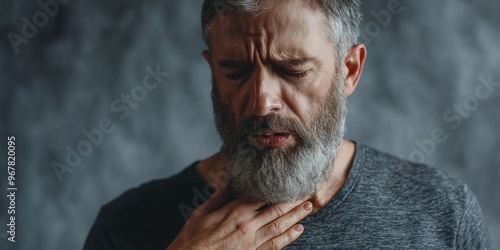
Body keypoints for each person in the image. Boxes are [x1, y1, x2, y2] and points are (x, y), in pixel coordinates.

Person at [84, 0, 492, 249]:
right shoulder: (127, 226)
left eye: (293, 70)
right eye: (235, 70)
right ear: (212, 71)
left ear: (349, 71)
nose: (262, 101)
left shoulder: (442, 212)